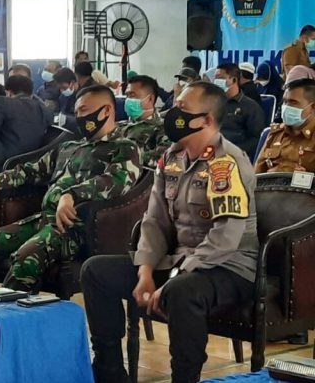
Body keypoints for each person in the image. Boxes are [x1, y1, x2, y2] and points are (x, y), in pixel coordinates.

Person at [81, 81, 258, 383]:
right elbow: (155, 221)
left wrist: (176, 276)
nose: (174, 113)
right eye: (175, 105)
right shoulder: (171, 158)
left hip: (228, 268)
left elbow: (225, 238)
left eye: (183, 109)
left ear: (206, 120)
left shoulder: (226, 163)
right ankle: (109, 372)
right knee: (96, 271)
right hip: (179, 261)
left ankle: (185, 378)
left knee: (182, 290)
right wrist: (145, 271)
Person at [0, 85, 141, 292]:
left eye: (85, 110)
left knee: (25, 259)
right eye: (77, 112)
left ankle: (11, 312)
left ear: (106, 110)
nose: (80, 117)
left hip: (76, 229)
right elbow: (31, 170)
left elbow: (116, 181)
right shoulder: (69, 147)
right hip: (44, 221)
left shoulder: (124, 148)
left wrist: (71, 195)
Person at [0, 75, 53, 172]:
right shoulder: (43, 108)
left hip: (4, 167)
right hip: (33, 167)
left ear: (9, 92)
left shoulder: (3, 102)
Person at [255, 79, 315, 173]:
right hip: (269, 181)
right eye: (285, 102)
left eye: (293, 102)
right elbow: (255, 174)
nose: (286, 107)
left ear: (313, 107)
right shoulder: (276, 133)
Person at [115, 75, 169, 167]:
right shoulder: (120, 125)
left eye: (132, 95)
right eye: (127, 95)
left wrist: (125, 156)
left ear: (150, 99)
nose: (128, 100)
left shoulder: (162, 128)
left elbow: (163, 157)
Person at [215, 63, 266, 156]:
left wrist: (234, 151)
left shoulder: (250, 107)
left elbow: (256, 139)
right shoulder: (213, 104)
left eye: (220, 78)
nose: (216, 82)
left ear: (234, 80)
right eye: (215, 79)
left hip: (235, 155)